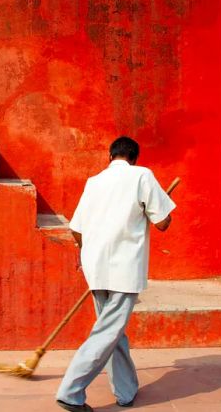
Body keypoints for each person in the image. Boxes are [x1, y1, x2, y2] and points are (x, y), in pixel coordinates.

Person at [56, 136, 176, 412]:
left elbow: (77, 229)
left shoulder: (94, 181)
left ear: (110, 157)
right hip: (124, 268)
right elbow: (162, 224)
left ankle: (125, 389)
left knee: (113, 331)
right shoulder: (142, 175)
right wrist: (162, 205)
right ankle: (70, 391)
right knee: (108, 330)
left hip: (96, 266)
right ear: (134, 157)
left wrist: (89, 254)